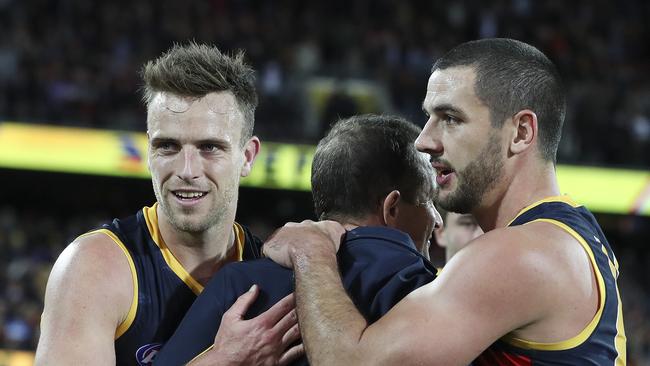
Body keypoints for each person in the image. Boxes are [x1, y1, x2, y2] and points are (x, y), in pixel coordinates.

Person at [264, 38, 627, 365]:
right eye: (428, 117)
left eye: (450, 118)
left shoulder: (522, 254)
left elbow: (351, 362)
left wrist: (311, 250)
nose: (423, 141)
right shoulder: (568, 234)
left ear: (521, 132)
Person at [35, 43, 301, 366]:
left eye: (209, 147)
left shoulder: (273, 271)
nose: (186, 170)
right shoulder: (94, 269)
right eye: (168, 146)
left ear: (247, 157)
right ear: (148, 153)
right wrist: (223, 360)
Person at [153, 114, 441, 365]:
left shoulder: (239, 283)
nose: (437, 219)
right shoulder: (424, 287)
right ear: (391, 208)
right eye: (429, 201)